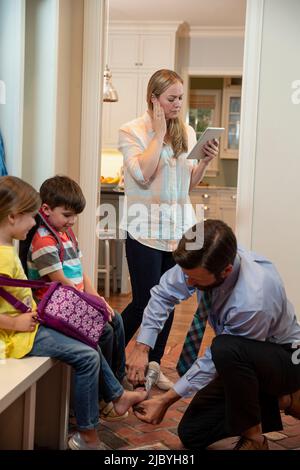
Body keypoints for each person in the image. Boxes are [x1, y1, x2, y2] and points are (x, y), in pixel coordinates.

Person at [0, 176, 147, 450]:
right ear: (11, 217)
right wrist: (15, 322)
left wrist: (96, 299)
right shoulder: (5, 254)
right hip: (17, 336)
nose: (34, 225)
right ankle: (89, 432)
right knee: (88, 354)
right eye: (30, 218)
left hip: (30, 325)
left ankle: (115, 396)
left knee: (91, 347)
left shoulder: (7, 250)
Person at [127, 219, 300, 450]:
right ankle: (276, 399)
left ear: (226, 271)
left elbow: (215, 361)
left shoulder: (254, 298)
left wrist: (166, 400)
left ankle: (257, 437)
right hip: (244, 360)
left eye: (195, 279)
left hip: (286, 357)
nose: (188, 282)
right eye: (186, 275)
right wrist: (142, 348)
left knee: (225, 348)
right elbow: (162, 295)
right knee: (192, 433)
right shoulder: (201, 260)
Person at [119, 69, 219, 390]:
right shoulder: (131, 131)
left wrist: (203, 162)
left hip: (177, 232)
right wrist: (159, 134)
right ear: (154, 99)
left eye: (180, 98)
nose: (178, 104)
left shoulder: (187, 131)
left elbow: (188, 183)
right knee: (143, 302)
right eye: (171, 98)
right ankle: (107, 355)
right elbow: (143, 174)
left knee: (169, 300)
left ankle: (153, 366)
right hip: (144, 230)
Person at [26, 175, 131, 421]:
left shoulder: (67, 234)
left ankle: (115, 381)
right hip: (55, 307)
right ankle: (103, 396)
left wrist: (98, 299)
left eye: (75, 216)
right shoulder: (43, 240)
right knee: (103, 330)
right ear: (46, 210)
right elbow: (62, 281)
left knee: (117, 320)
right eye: (67, 215)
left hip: (74, 301)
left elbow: (81, 273)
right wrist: (93, 307)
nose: (71, 221)